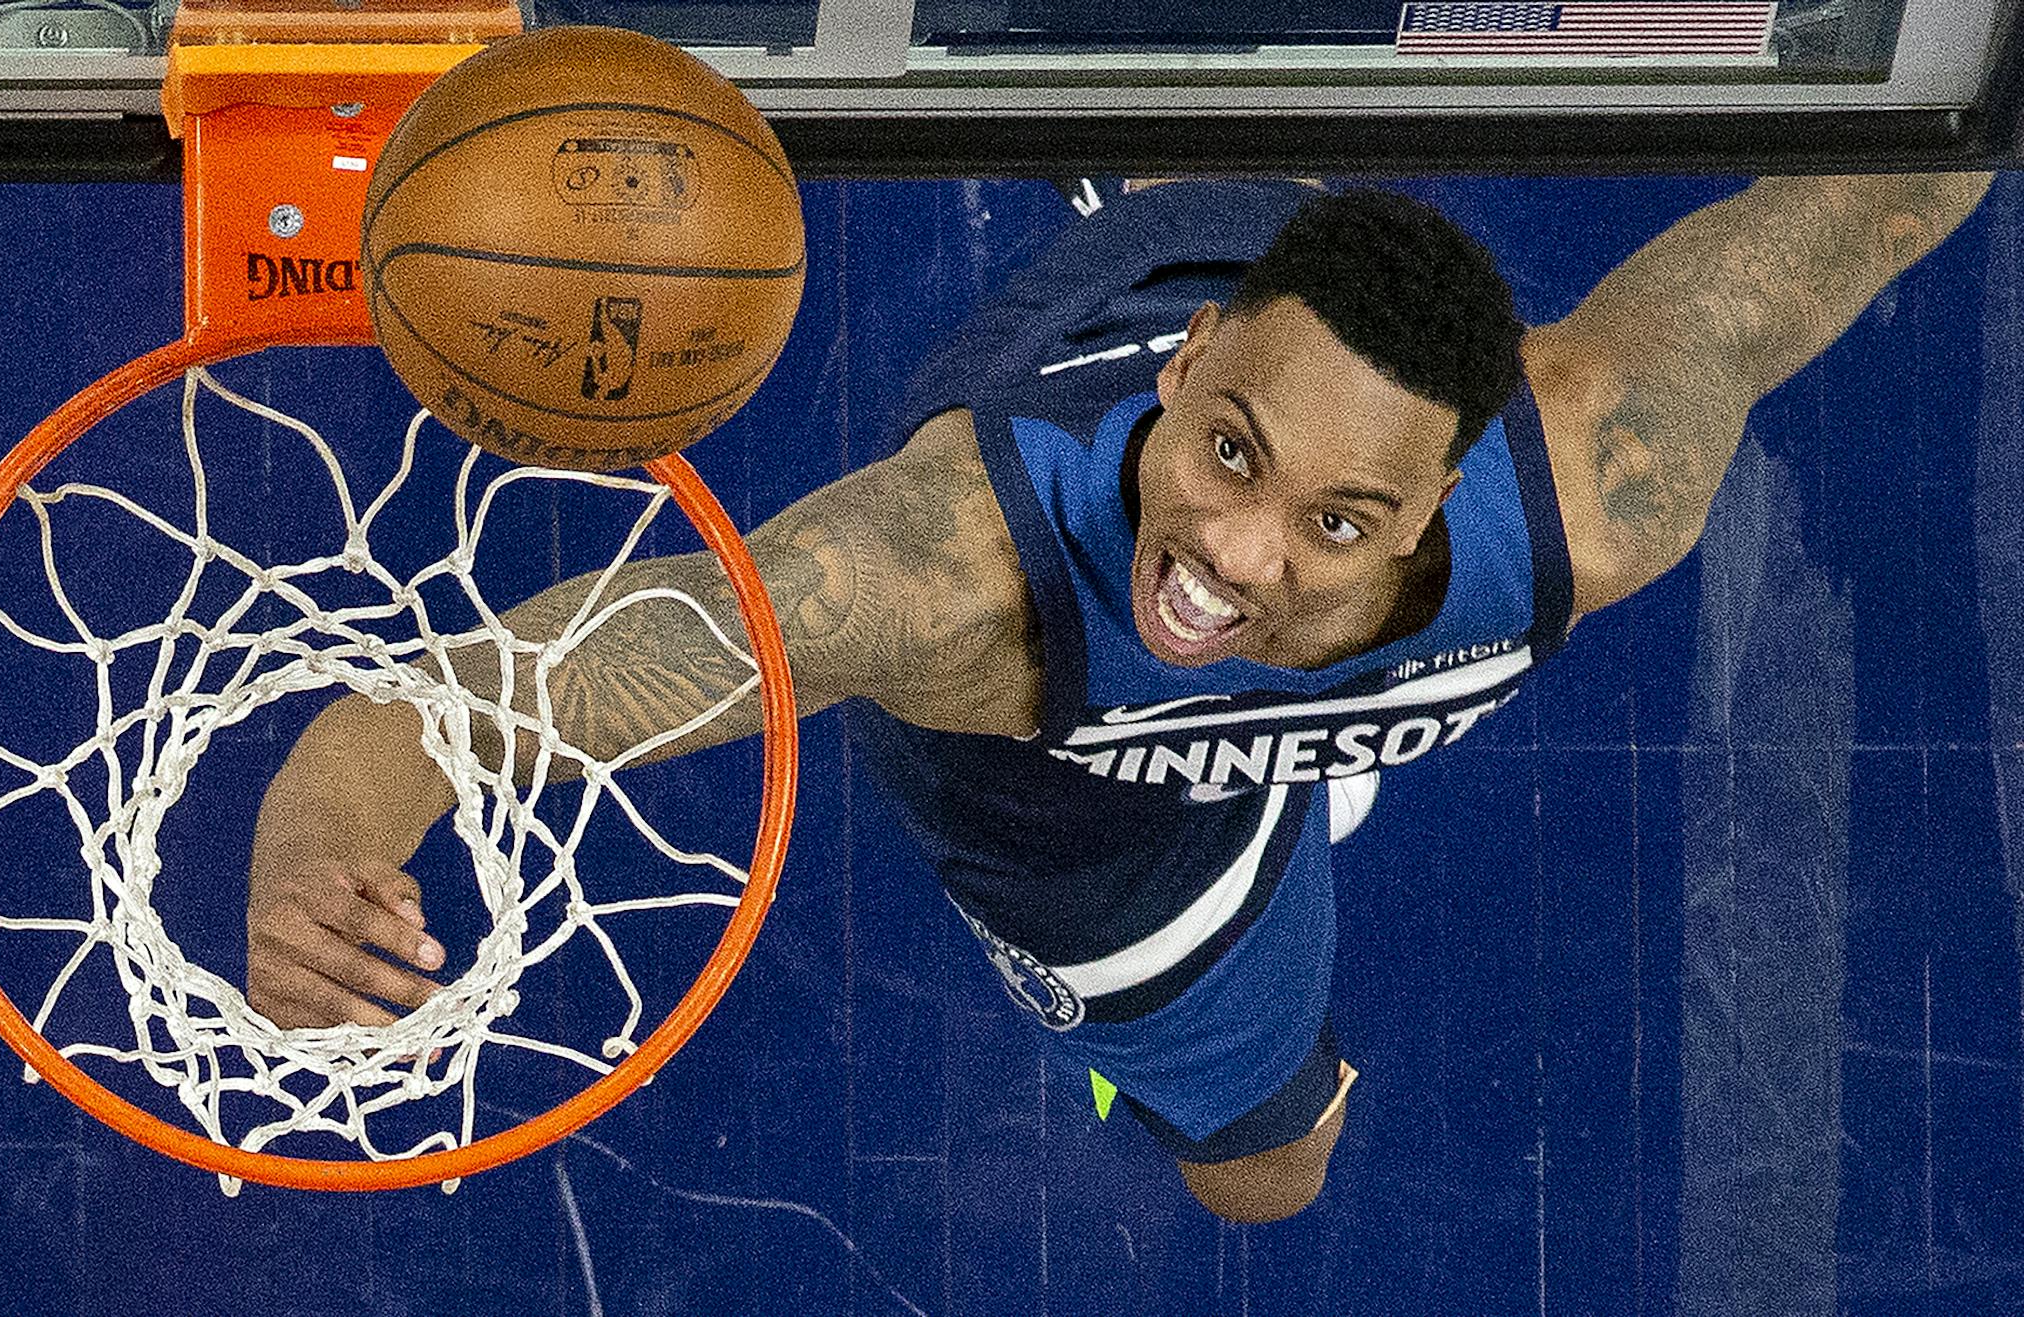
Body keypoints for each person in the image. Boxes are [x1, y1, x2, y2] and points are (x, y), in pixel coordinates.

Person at [245, 172, 1992, 1222]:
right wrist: (321, 851)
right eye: (1228, 451)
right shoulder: (942, 587)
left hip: (1266, 369)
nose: (1231, 554)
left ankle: (1295, 750)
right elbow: (471, 705)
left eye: (1336, 523)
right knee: (1264, 1165)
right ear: (1187, 378)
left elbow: (1883, 192)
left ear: (1442, 507)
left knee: (1264, 1166)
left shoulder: (1599, 494)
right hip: (1061, 790)